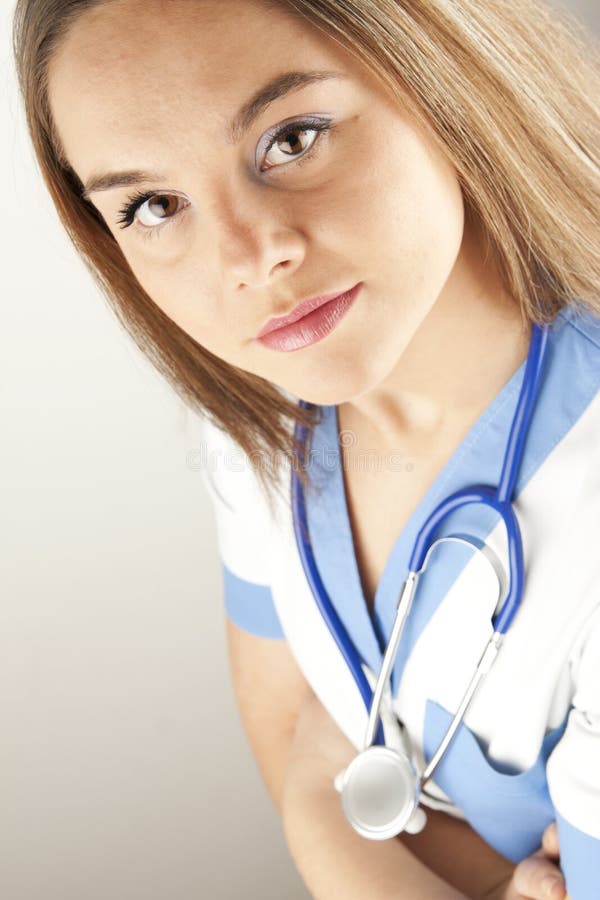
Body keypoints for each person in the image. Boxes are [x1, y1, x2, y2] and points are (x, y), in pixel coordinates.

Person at [12, 0, 600, 897]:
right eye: (156, 204)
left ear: (444, 69)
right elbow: (296, 752)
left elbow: (325, 767)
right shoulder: (256, 419)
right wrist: (335, 822)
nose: (250, 259)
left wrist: (331, 814)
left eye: (293, 137)